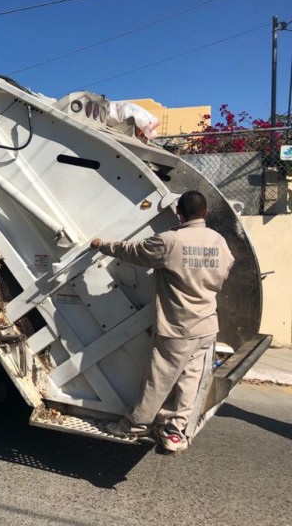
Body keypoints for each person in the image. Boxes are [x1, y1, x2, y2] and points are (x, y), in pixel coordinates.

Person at [90, 190, 234, 452]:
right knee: (190, 380)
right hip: (206, 325)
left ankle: (135, 425)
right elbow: (226, 269)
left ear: (179, 211)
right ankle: (174, 430)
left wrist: (103, 245)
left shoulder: (170, 241)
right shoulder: (219, 240)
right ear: (206, 213)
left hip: (177, 327)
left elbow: (133, 251)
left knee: (159, 380)